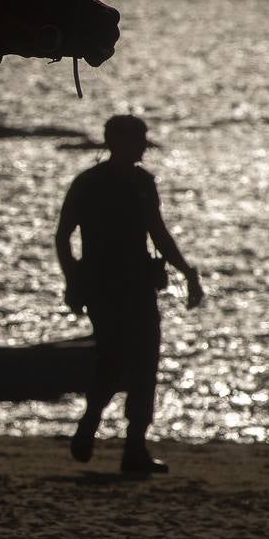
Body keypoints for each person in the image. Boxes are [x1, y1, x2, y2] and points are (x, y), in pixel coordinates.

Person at [54, 115, 203, 474]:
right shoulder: (88, 184)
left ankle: (134, 448)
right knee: (112, 360)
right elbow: (63, 236)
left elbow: (159, 233)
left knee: (145, 364)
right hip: (103, 287)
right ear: (114, 142)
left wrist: (188, 274)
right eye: (137, 139)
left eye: (143, 138)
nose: (142, 146)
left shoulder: (143, 183)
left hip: (139, 285)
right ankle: (91, 422)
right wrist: (74, 281)